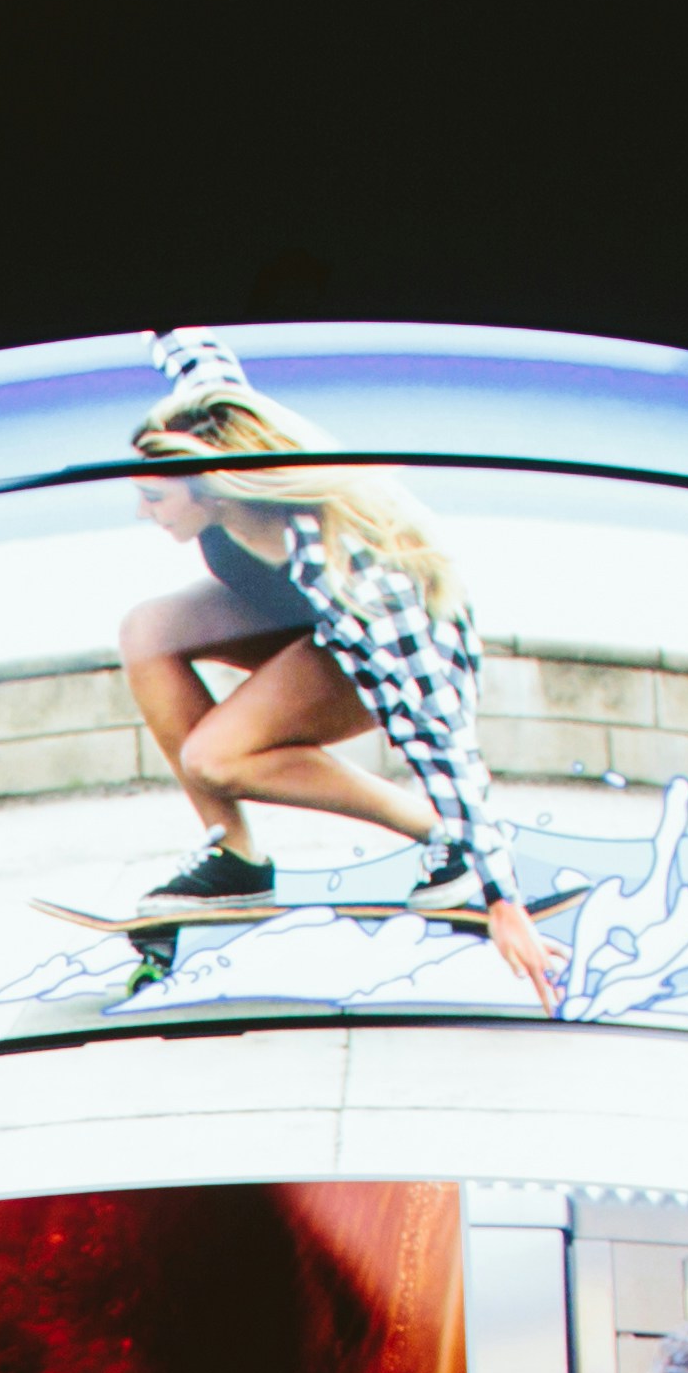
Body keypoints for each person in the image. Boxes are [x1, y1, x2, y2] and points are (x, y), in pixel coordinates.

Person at [107, 327, 560, 1008]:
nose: (141, 512)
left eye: (155, 499)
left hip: (401, 651)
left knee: (214, 757)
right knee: (147, 632)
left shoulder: (351, 573)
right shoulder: (210, 429)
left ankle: (443, 838)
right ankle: (234, 859)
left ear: (213, 489)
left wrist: (503, 899)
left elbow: (440, 736)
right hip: (304, 623)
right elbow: (201, 360)